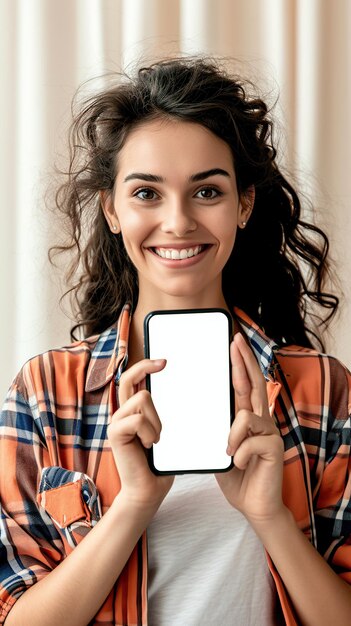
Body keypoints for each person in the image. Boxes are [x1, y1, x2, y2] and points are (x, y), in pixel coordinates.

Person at [0, 56, 350, 626]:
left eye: (207, 191)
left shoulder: (322, 389)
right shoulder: (45, 391)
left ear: (244, 204)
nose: (179, 221)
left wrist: (269, 517)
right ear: (111, 209)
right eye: (146, 194)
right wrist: (135, 503)